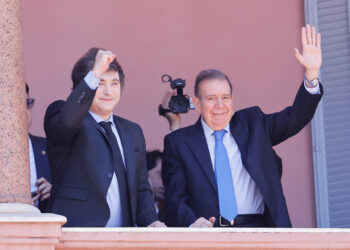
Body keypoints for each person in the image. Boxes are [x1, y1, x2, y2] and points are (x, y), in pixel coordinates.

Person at [162, 25, 323, 227]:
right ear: (197, 103)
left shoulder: (254, 124)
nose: (220, 106)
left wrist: (311, 73)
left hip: (260, 230)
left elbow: (296, 117)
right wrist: (192, 222)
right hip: (209, 236)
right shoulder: (179, 143)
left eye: (225, 97)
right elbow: (174, 199)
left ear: (233, 99)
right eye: (211, 98)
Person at [44, 48, 165, 227]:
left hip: (123, 238)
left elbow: (140, 187)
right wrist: (94, 73)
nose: (108, 91)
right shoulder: (62, 113)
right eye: (100, 82)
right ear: (83, 86)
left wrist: (151, 221)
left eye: (114, 83)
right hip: (76, 235)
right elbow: (67, 123)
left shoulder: (132, 131)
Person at [26, 84, 52, 212]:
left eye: (27, 103)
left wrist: (53, 190)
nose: (23, 109)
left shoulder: (49, 147)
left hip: (42, 227)